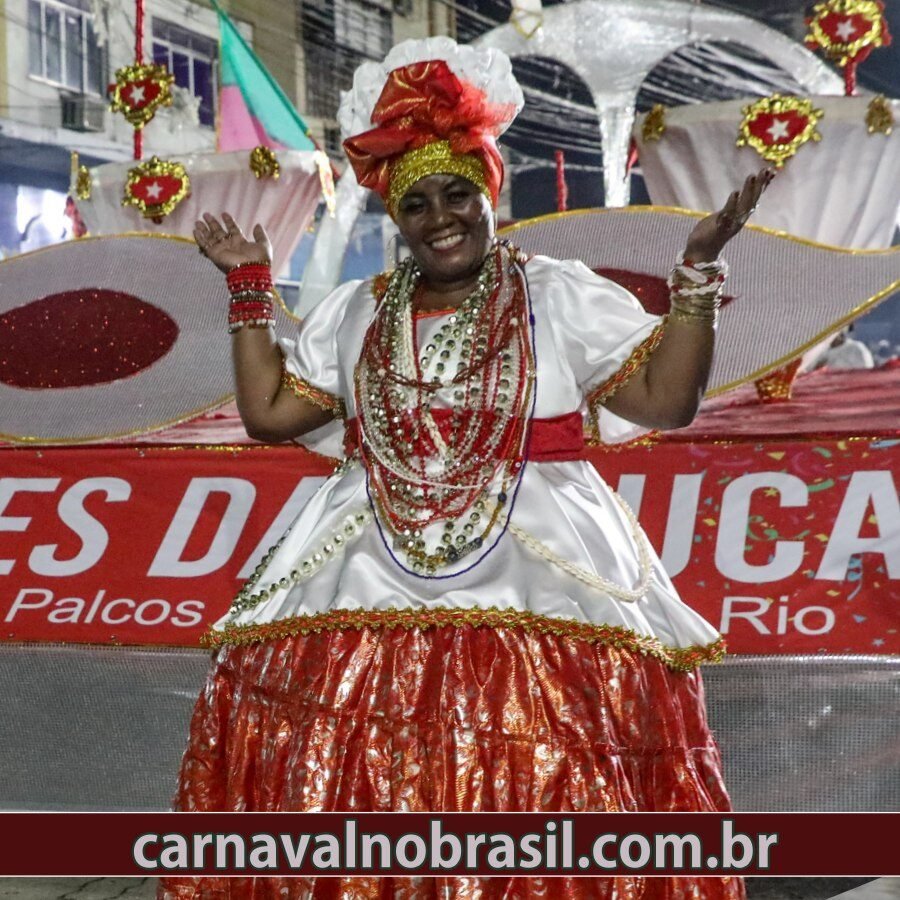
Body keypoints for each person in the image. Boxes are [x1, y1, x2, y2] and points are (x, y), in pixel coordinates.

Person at [162, 36, 770, 899]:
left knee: (554, 763)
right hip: (366, 555)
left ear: (490, 196)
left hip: (545, 558)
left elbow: (666, 404)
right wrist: (250, 290)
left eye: (459, 195)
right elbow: (270, 416)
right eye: (417, 204)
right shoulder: (356, 313)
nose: (440, 217)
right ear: (395, 220)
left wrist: (697, 277)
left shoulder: (556, 293)